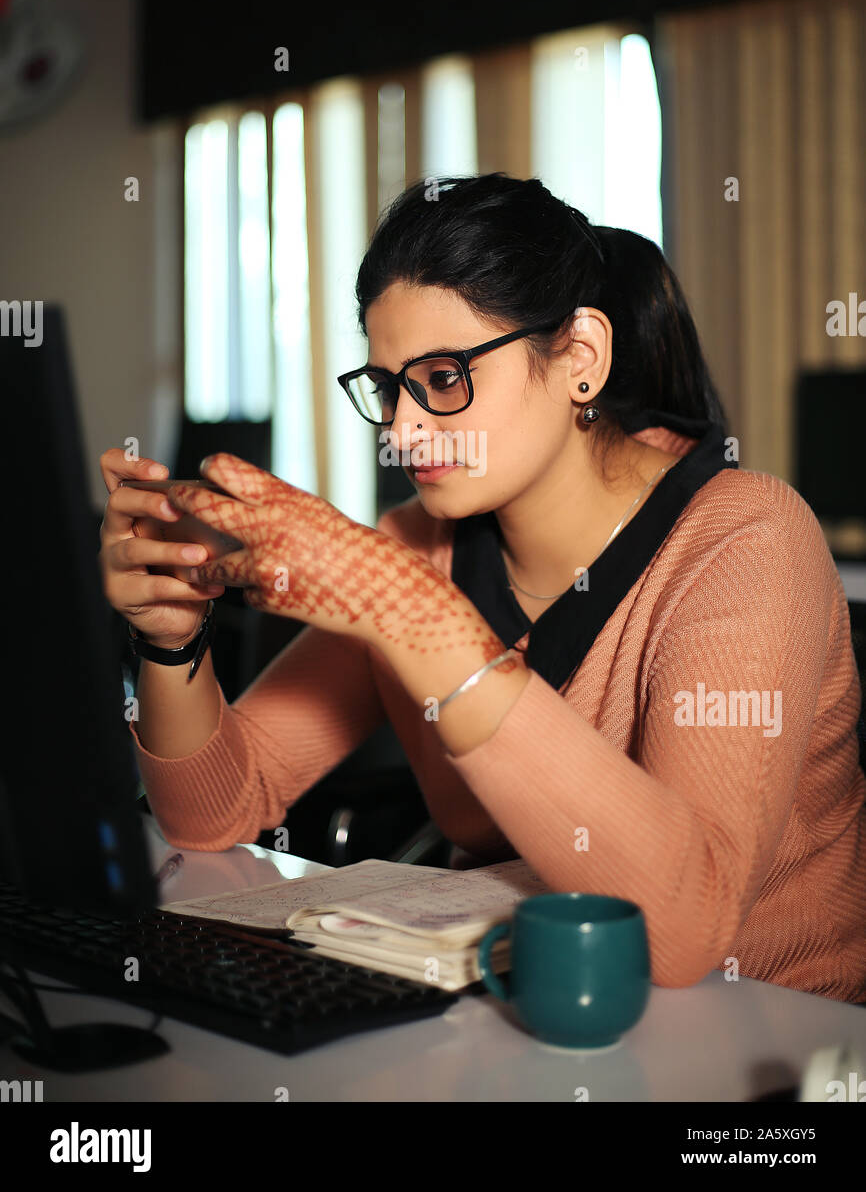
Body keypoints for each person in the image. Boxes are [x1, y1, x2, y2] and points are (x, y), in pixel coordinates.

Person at [98, 172, 866, 1002]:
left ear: (579, 359)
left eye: (445, 377)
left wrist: (406, 612)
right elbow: (215, 811)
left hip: (768, 1042)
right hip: (514, 1024)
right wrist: (171, 639)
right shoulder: (417, 551)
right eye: (389, 387)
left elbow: (684, 929)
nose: (402, 428)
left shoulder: (748, 538)